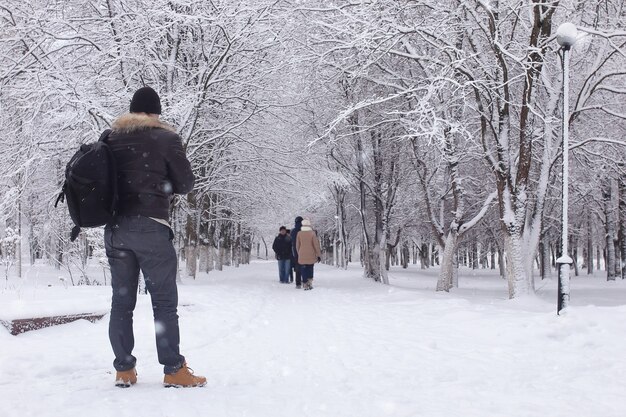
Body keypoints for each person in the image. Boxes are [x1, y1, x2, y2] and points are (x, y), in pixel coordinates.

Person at [104, 86, 206, 388]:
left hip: (116, 231)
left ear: (131, 112)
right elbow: (185, 183)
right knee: (163, 302)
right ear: (156, 113)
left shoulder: (110, 138)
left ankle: (124, 369)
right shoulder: (166, 138)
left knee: (121, 303)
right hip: (150, 226)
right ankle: (174, 369)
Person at [296, 219, 322, 290]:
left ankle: (305, 283)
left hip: (302, 253)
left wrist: (299, 252)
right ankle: (310, 283)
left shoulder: (299, 233)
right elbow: (316, 245)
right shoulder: (312, 233)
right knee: (310, 267)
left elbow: (297, 245)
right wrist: (318, 254)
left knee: (303, 269)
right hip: (311, 253)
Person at [290, 216, 303, 289]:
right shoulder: (304, 230)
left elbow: (291, 241)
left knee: (297, 266)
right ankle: (305, 281)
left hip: (295, 251)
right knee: (305, 266)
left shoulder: (293, 231)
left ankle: (298, 283)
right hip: (304, 250)